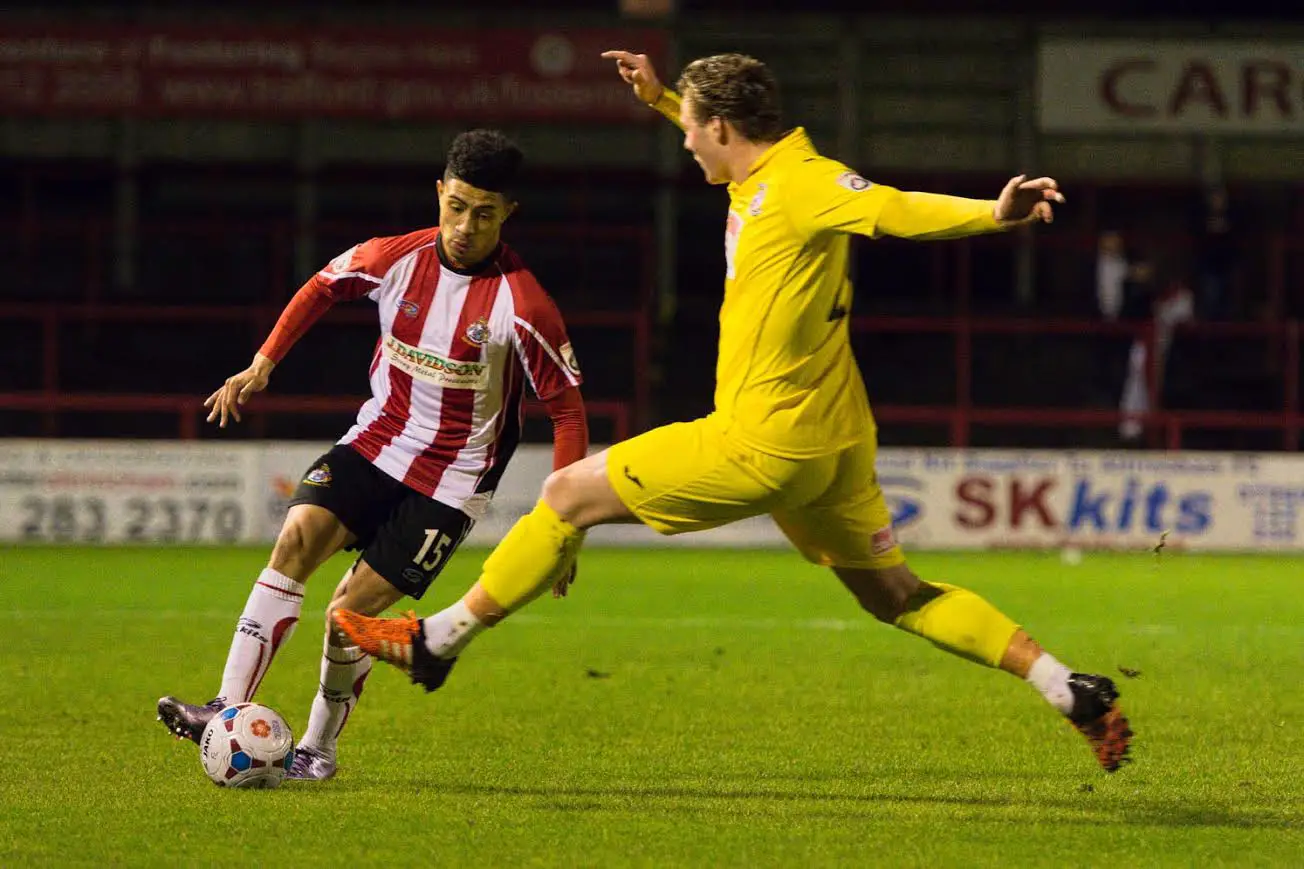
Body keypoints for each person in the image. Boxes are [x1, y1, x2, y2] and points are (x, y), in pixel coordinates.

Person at [333, 53, 1133, 773]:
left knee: (565, 495)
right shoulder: (759, 172)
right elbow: (720, 132)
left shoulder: (802, 183)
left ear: (721, 127)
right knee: (896, 595)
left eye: (688, 128)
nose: (682, 142)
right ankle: (1062, 682)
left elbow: (891, 206)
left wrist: (993, 213)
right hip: (836, 442)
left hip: (763, 439)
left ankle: (439, 640)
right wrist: (659, 95)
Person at [155, 129, 589, 780]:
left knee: (346, 619)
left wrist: (564, 529)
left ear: (508, 215)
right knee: (295, 539)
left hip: (449, 483)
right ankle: (225, 704)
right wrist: (262, 363)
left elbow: (567, 411)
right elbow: (323, 285)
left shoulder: (522, 305)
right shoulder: (396, 259)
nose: (467, 225)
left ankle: (318, 751)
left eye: (485, 213)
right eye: (458, 205)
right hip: (377, 440)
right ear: (440, 193)